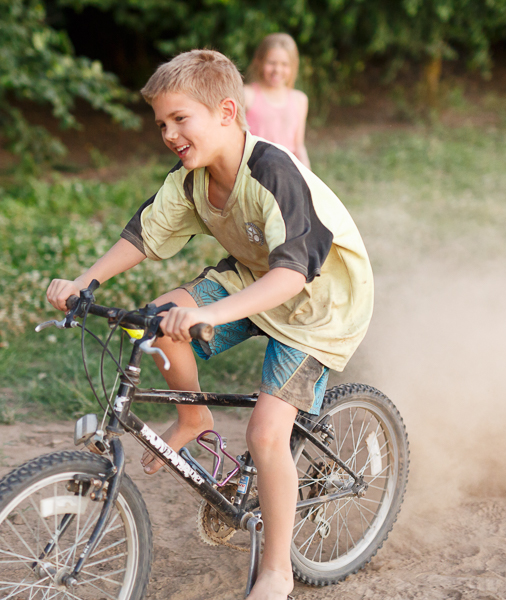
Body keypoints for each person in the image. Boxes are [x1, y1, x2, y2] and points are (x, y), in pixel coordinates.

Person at [46, 49, 373, 600]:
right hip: (252, 279)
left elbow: (293, 274)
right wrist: (85, 282)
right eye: (161, 124)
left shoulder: (272, 171)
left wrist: (209, 313)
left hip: (321, 304)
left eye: (180, 119)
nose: (169, 134)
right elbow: (142, 236)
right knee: (156, 318)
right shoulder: (191, 178)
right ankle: (194, 420)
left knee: (267, 433)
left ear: (225, 112)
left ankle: (277, 570)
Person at [245, 33, 311, 168]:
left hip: (288, 173)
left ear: (293, 66)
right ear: (259, 61)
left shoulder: (300, 100)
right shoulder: (247, 95)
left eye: (284, 64)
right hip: (254, 172)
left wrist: (308, 176)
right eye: (271, 63)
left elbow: (299, 146)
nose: (277, 69)